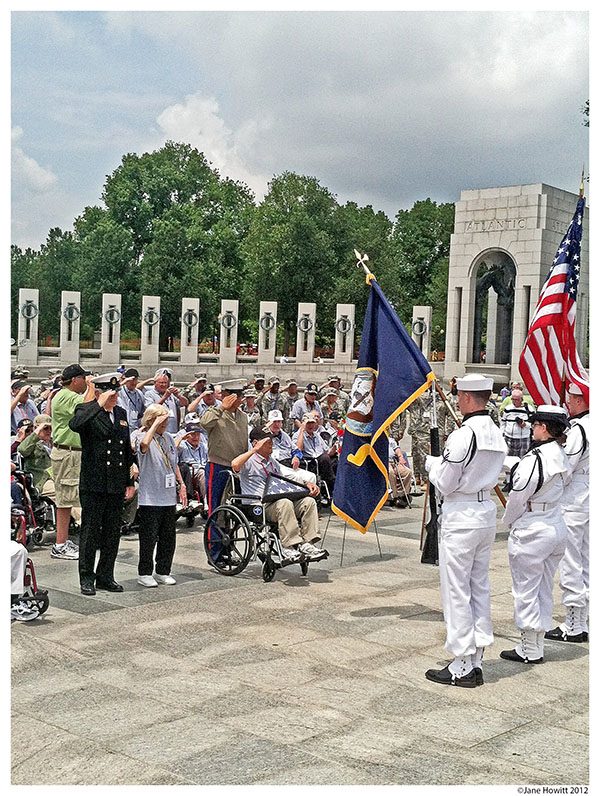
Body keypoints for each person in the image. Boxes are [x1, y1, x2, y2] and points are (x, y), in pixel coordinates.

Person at [424, 373, 507, 687]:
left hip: (461, 515)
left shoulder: (463, 435)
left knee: (457, 591)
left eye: (459, 396)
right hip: (485, 512)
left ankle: (461, 662)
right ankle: (476, 657)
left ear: (469, 398)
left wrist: (433, 465)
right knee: (478, 588)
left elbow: (446, 481)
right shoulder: (495, 433)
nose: (457, 401)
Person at [500, 406, 570, 664]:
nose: (531, 428)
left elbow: (518, 497)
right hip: (555, 524)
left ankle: (529, 647)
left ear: (543, 427)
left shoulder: (535, 459)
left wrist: (508, 521)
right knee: (543, 589)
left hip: (533, 528)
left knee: (526, 590)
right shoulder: (560, 454)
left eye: (535, 424)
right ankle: (536, 644)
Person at [69, 373, 136, 595]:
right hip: (94, 482)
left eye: (116, 393)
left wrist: (129, 480)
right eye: (110, 393)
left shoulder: (121, 414)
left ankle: (105, 575)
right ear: (100, 392)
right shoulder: (86, 410)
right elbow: (75, 425)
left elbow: (125, 448)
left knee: (111, 532)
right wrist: (97, 403)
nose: (115, 397)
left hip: (115, 482)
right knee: (90, 532)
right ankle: (86, 577)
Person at [231, 427, 327, 562]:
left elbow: (285, 482)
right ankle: (288, 546)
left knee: (308, 502)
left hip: (276, 501)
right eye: (267, 441)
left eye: (271, 440)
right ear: (256, 443)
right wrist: (254, 450)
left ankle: (307, 543)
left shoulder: (272, 462)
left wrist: (306, 484)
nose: (271, 443)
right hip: (258, 505)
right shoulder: (249, 460)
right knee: (284, 503)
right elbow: (234, 464)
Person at [545, 383, 590, 643]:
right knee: (587, 562)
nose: (569, 403)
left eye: (572, 398)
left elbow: (566, 467)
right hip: (590, 498)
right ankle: (582, 620)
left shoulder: (579, 430)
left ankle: (574, 625)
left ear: (582, 400)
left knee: (572, 562)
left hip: (575, 501)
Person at [133, 403, 187, 587]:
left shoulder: (169, 439)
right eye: (162, 420)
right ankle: (145, 572)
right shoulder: (142, 435)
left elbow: (174, 463)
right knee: (148, 537)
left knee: (168, 537)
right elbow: (143, 446)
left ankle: (163, 570)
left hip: (168, 496)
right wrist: (154, 425)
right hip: (150, 496)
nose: (165, 424)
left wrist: (182, 484)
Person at [49, 364, 96, 560]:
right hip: (68, 453)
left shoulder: (64, 395)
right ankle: (59, 544)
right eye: (84, 378)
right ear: (75, 380)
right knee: (66, 500)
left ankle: (64, 541)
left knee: (70, 499)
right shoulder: (66, 395)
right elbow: (88, 406)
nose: (86, 382)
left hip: (73, 452)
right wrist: (93, 388)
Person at [199, 379, 249, 518]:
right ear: (224, 395)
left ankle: (229, 536)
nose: (238, 398)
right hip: (218, 465)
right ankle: (214, 539)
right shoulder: (215, 412)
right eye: (233, 394)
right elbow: (204, 423)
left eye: (239, 394)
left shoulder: (243, 416)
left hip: (236, 467)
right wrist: (221, 407)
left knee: (234, 511)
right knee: (215, 506)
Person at [292, 411, 336, 496]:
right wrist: (302, 430)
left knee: (335, 459)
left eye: (312, 423)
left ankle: (335, 484)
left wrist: (335, 447)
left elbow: (327, 451)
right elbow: (298, 449)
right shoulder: (298, 435)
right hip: (309, 462)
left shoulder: (317, 435)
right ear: (304, 424)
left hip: (321, 460)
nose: (311, 425)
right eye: (308, 423)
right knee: (325, 458)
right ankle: (332, 485)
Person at [143, 368, 189, 434]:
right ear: (155, 383)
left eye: (165, 383)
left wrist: (178, 395)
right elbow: (151, 410)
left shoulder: (171, 394)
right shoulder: (149, 394)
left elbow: (185, 403)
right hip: (157, 432)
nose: (164, 385)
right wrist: (165, 397)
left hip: (173, 431)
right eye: (161, 383)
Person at [176, 419, 208, 505]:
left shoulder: (203, 446)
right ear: (187, 435)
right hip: (189, 473)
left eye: (198, 435)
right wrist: (181, 438)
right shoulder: (182, 446)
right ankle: (206, 502)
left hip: (202, 470)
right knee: (202, 473)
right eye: (193, 435)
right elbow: (172, 451)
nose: (196, 437)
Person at [500, 389, 535, 458]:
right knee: (507, 459)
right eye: (513, 399)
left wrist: (525, 425)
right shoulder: (508, 408)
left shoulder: (529, 409)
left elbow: (534, 425)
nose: (514, 402)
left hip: (523, 438)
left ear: (521, 399)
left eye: (516, 400)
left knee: (522, 459)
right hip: (509, 438)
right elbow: (503, 422)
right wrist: (502, 434)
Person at [388, 437, 412, 508]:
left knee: (407, 472)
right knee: (390, 472)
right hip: (383, 462)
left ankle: (403, 495)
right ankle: (393, 497)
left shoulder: (390, 440)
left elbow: (397, 449)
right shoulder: (375, 439)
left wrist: (401, 457)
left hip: (394, 461)